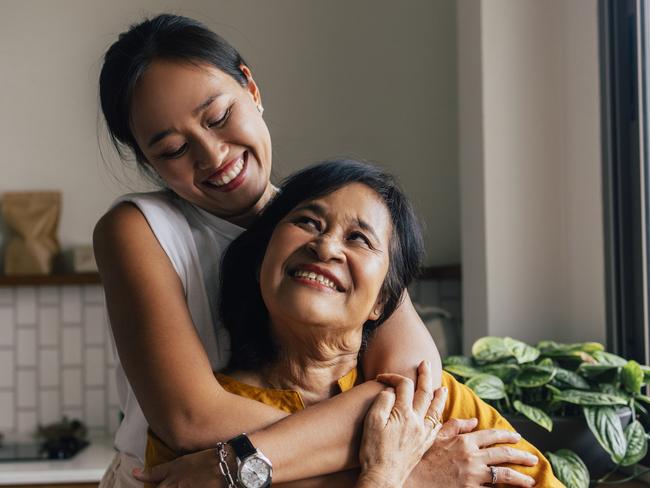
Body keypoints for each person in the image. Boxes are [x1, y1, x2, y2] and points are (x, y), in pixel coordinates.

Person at [95, 14, 547, 487]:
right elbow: (191, 420)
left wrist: (233, 467)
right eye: (171, 149)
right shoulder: (136, 229)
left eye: (218, 117)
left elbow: (412, 390)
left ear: (251, 88)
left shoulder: (333, 214)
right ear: (146, 160)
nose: (211, 155)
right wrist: (404, 471)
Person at [138, 160, 560, 487]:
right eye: (307, 222)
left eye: (359, 238)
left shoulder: (439, 408)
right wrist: (389, 476)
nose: (325, 246)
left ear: (383, 302)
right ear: (262, 259)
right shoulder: (191, 450)